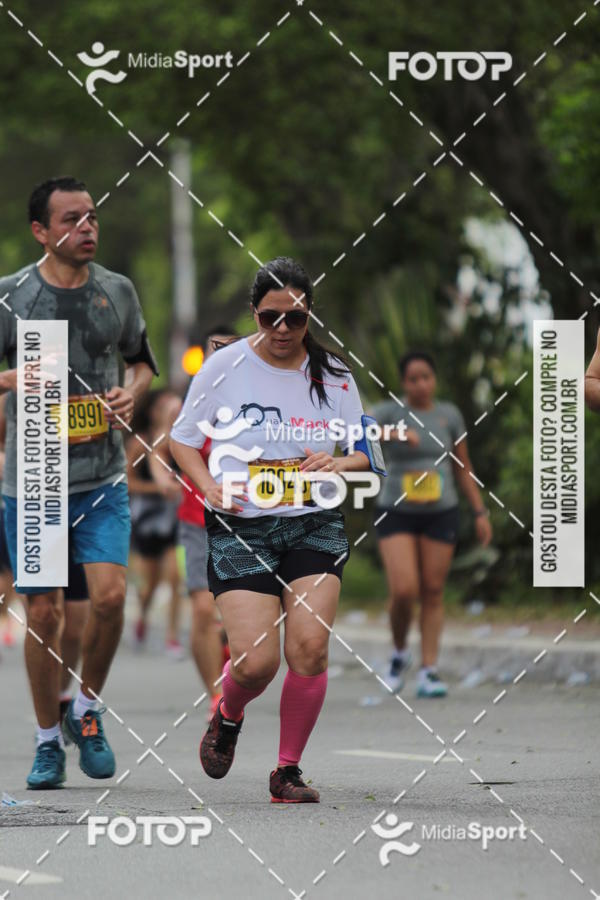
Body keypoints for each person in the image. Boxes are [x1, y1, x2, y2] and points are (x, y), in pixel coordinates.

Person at [170, 257, 375, 803]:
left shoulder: (334, 375)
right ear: (254, 315)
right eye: (270, 318)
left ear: (310, 315)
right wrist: (207, 488)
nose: (283, 329)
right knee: (257, 662)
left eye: (295, 318)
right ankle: (228, 713)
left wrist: (337, 464)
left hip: (314, 522)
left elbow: (366, 453)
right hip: (243, 529)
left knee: (309, 649)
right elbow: (182, 440)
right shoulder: (223, 367)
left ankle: (287, 772)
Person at [0, 176, 157, 789]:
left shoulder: (116, 291)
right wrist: (15, 380)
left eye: (91, 217)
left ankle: (87, 709)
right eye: (70, 219)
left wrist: (131, 393)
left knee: (112, 599)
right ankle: (46, 742)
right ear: (41, 230)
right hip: (33, 480)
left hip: (102, 477)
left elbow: (143, 361)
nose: (85, 228)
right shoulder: (13, 296)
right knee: (43, 614)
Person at [371, 351, 492, 698]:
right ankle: (398, 654)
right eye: (413, 379)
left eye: (427, 377)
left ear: (434, 379)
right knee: (404, 590)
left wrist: (480, 512)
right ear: (403, 382)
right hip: (397, 511)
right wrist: (394, 435)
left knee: (433, 591)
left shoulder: (448, 415)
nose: (421, 384)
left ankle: (429, 669)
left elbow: (462, 466)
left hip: (442, 509)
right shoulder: (390, 411)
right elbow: (358, 431)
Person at [176, 327, 237, 718]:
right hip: (197, 517)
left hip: (246, 520)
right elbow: (168, 444)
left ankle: (230, 653)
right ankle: (215, 694)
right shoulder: (192, 398)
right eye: (216, 349)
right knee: (202, 609)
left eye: (232, 350)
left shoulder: (260, 396)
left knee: (236, 615)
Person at [127, 389, 184, 657]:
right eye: (166, 408)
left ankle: (172, 637)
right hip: (147, 515)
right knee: (150, 583)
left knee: (175, 577)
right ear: (154, 412)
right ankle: (144, 615)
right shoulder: (141, 444)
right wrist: (157, 489)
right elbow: (126, 482)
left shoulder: (182, 444)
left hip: (174, 514)